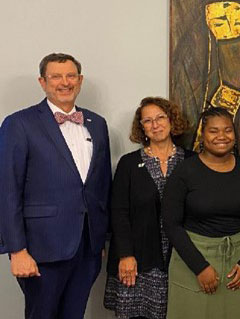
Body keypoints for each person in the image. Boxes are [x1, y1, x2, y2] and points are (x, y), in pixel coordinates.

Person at [0, 53, 111, 318]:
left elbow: (102, 186)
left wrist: (101, 236)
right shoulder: (19, 124)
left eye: (71, 76)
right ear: (43, 82)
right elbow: (7, 190)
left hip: (87, 249)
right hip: (41, 250)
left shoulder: (97, 124)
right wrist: (17, 250)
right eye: (56, 76)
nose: (65, 82)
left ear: (80, 80)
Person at [162, 107, 240, 319]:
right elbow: (171, 224)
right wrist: (200, 267)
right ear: (202, 133)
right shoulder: (185, 171)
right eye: (213, 131)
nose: (221, 136)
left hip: (237, 264)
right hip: (193, 261)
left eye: (227, 130)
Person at [103, 97, 194, 319]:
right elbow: (119, 213)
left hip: (180, 257)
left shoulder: (192, 162)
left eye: (161, 117)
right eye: (148, 120)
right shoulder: (129, 164)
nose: (155, 125)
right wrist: (125, 255)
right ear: (141, 127)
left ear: (172, 121)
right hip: (138, 258)